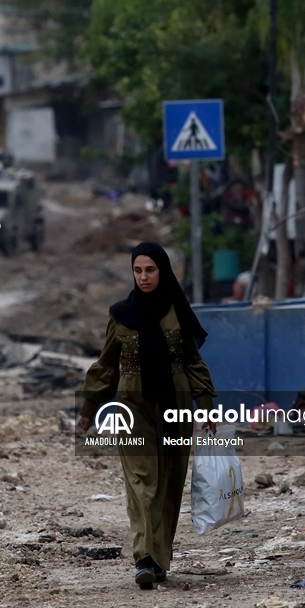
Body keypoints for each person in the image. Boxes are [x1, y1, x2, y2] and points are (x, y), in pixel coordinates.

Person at [78, 242, 218, 590]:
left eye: (150, 270)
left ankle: (159, 560)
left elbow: (192, 361)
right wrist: (89, 408)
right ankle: (143, 557)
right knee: (143, 481)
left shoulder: (175, 310)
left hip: (176, 403)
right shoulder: (120, 313)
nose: (143, 277)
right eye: (138, 270)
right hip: (133, 404)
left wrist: (207, 405)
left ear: (163, 271)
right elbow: (107, 364)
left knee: (169, 481)